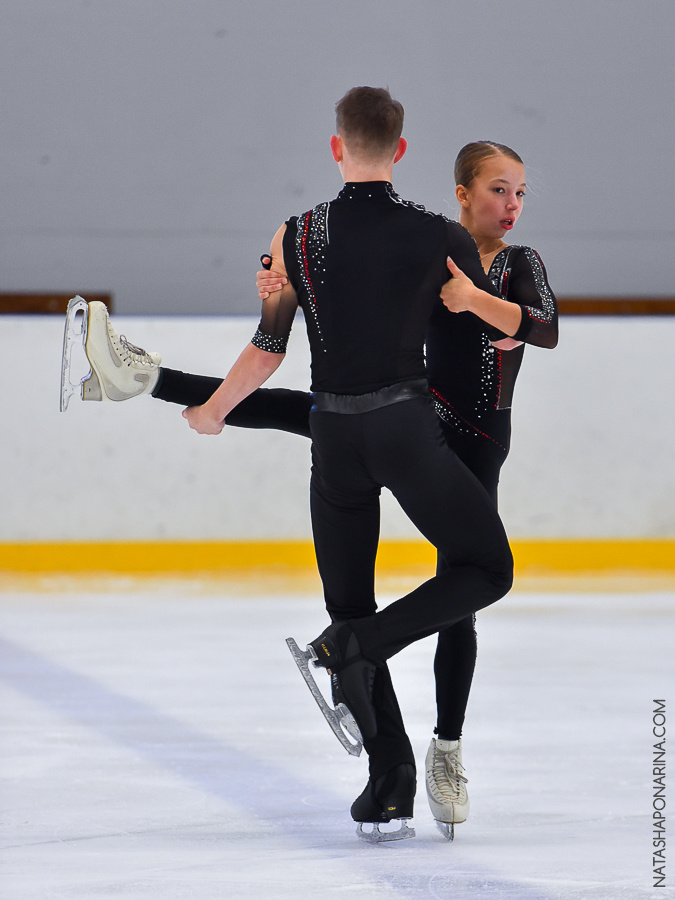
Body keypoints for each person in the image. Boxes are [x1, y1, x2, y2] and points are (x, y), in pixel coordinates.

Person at [68, 135, 556, 839]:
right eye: (497, 190)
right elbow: (365, 306)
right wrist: (284, 284)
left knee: (461, 597)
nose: (510, 205)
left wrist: (476, 300)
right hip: (415, 422)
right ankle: (141, 376)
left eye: (519, 193)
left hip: (476, 440)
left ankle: (445, 748)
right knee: (306, 408)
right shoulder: (434, 246)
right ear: (462, 193)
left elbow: (543, 329)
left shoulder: (516, 263)